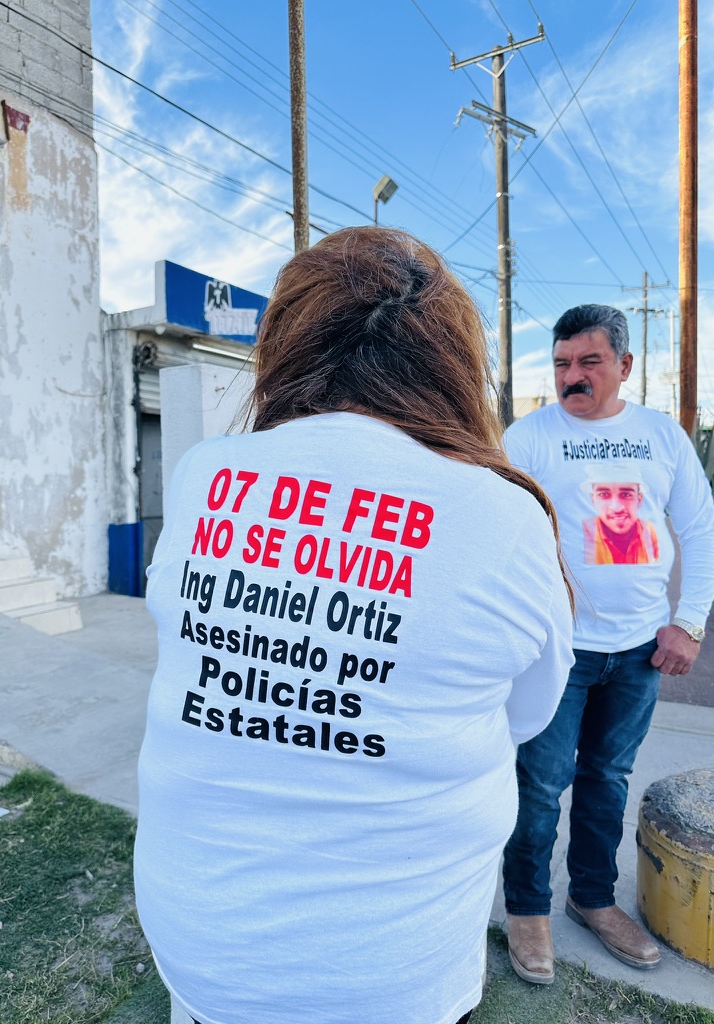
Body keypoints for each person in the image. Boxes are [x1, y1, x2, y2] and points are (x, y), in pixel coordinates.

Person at [133, 226, 574, 1024]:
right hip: (396, 974)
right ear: (453, 365)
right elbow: (528, 713)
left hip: (204, 951)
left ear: (285, 345)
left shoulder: (204, 474)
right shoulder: (505, 515)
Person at [502, 303, 714, 985]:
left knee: (607, 778)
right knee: (540, 785)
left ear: (624, 365)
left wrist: (690, 622)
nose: (573, 375)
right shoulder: (528, 438)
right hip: (558, 649)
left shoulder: (661, 436)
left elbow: (700, 528)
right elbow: (499, 533)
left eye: (589, 361)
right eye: (562, 363)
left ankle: (592, 897)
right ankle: (527, 908)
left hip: (639, 651)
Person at [581, 466, 659, 565]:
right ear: (593, 500)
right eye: (604, 495)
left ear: (639, 499)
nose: (617, 508)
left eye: (626, 495)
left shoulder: (650, 531)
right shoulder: (582, 532)